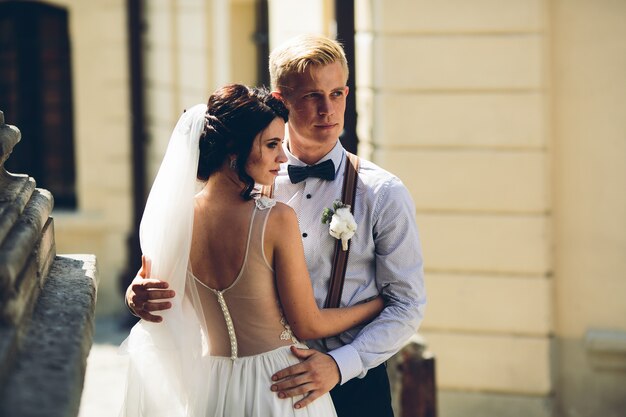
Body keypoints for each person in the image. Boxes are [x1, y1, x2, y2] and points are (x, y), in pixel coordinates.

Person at [121, 84, 384, 417]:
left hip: (212, 388)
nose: (283, 157)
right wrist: (376, 304)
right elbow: (308, 325)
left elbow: (148, 290)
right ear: (235, 149)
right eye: (272, 144)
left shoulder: (175, 219)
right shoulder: (275, 218)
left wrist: (134, 294)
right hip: (279, 386)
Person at [264, 34, 426, 417]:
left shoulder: (383, 193)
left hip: (355, 388)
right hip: (267, 382)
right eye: (311, 96)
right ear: (280, 99)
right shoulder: (254, 182)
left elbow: (408, 304)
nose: (327, 109)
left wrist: (340, 365)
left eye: (336, 94)